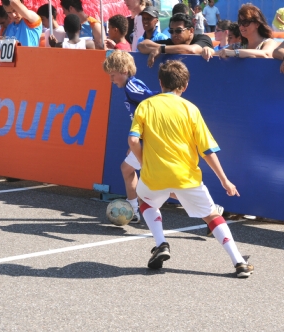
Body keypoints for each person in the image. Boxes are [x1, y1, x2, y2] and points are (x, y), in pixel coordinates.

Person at [128, 59, 253, 278]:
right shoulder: (191, 109)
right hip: (186, 177)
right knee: (212, 216)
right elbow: (207, 150)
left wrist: (142, 162)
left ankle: (161, 244)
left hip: (153, 175)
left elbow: (132, 140)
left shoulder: (146, 105)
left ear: (160, 82)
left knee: (145, 202)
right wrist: (225, 180)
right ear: (184, 87)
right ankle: (239, 262)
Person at [102, 50, 159, 222]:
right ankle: (134, 210)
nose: (111, 81)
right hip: (144, 139)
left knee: (161, 183)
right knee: (127, 170)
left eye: (113, 75)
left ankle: (208, 209)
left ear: (124, 71)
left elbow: (153, 99)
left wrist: (169, 95)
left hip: (150, 140)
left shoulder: (132, 86)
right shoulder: (130, 86)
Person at [138, 13, 213, 68]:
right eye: (171, 31)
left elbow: (191, 50)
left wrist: (162, 49)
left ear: (191, 31)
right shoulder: (171, 42)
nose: (174, 34)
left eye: (178, 30)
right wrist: (160, 48)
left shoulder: (203, 39)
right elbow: (141, 45)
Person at [204, 4, 276, 60]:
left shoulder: (268, 42)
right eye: (240, 22)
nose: (241, 26)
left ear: (257, 24)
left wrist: (235, 53)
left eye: (245, 22)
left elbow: (266, 54)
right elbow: (217, 53)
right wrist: (208, 50)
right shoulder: (239, 46)